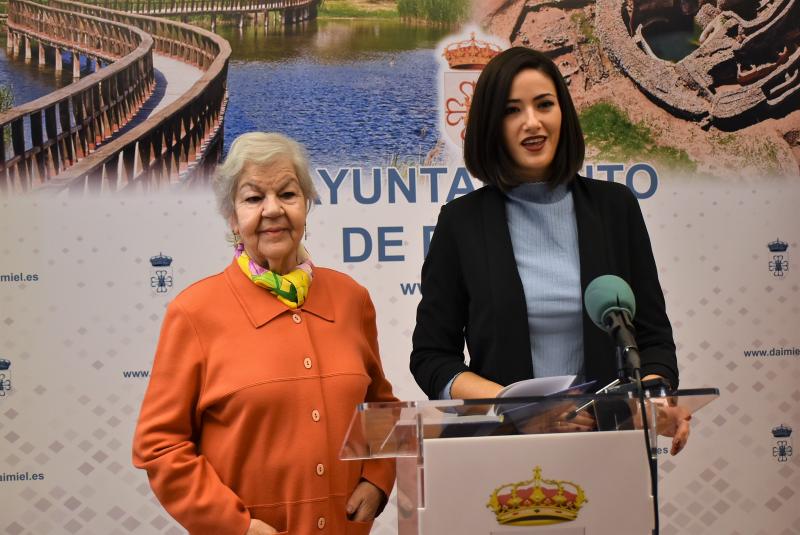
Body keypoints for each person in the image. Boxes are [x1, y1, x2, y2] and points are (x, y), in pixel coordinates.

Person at [410, 47, 690, 454]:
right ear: (491, 125)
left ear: (564, 114)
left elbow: (652, 340)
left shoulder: (616, 208)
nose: (532, 122)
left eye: (544, 104)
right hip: (505, 448)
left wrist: (655, 400)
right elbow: (433, 358)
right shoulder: (461, 223)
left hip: (609, 447)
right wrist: (518, 408)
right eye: (511, 110)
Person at [133, 132, 396, 535]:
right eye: (254, 198)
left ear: (306, 206)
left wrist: (378, 478)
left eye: (287, 194)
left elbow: (379, 407)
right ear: (232, 217)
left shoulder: (351, 299)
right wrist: (233, 525)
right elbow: (161, 446)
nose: (272, 210)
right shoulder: (193, 312)